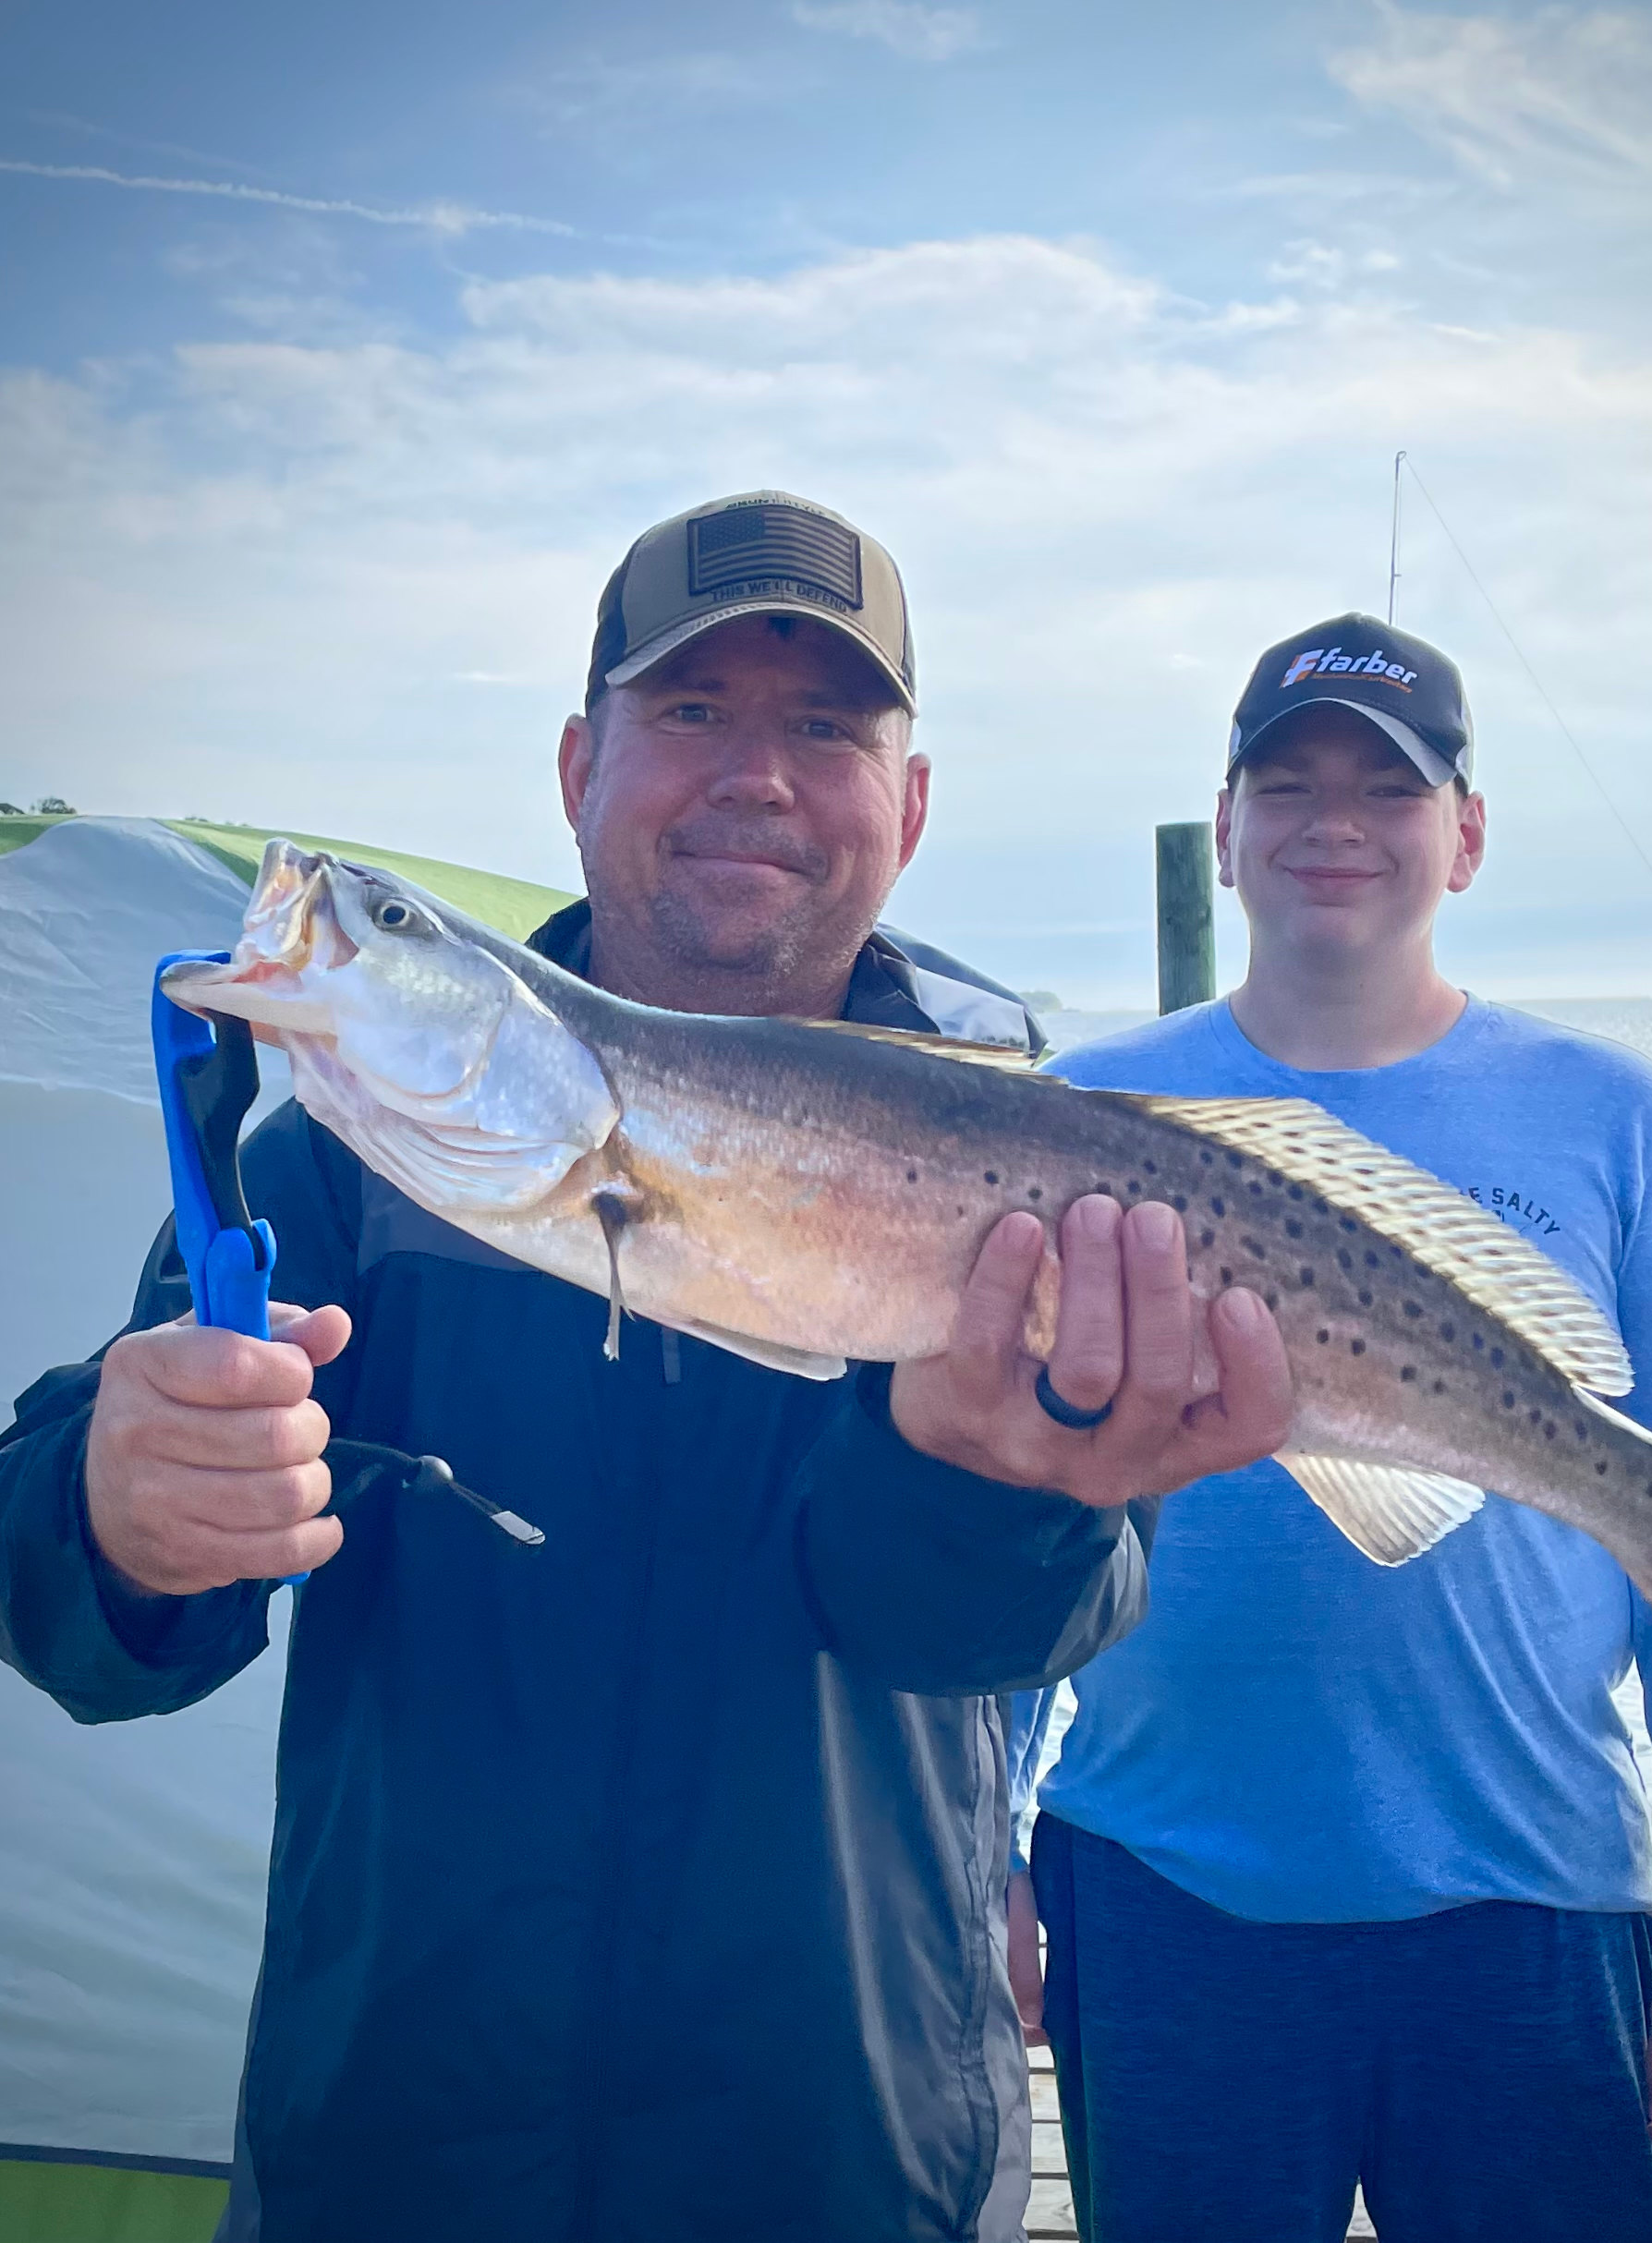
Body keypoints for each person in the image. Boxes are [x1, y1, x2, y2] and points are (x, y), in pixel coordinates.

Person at [0, 491, 1294, 2243]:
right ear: (575, 768)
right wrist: (110, 1507)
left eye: (825, 727)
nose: (755, 773)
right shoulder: (338, 1159)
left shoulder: (1040, 1181)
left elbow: (988, 1644)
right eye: (689, 713)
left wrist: (987, 1480)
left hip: (844, 2155)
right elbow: (106, 1639)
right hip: (391, 2144)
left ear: (906, 808)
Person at [1008, 614, 1652, 2243]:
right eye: (1284, 782)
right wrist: (986, 1848)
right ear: (1221, 832)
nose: (1334, 822)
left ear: (1470, 830)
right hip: (1158, 1882)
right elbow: (1013, 1510)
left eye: (1390, 785)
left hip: (1532, 1893)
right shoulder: (1077, 1109)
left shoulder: (1618, 1120)